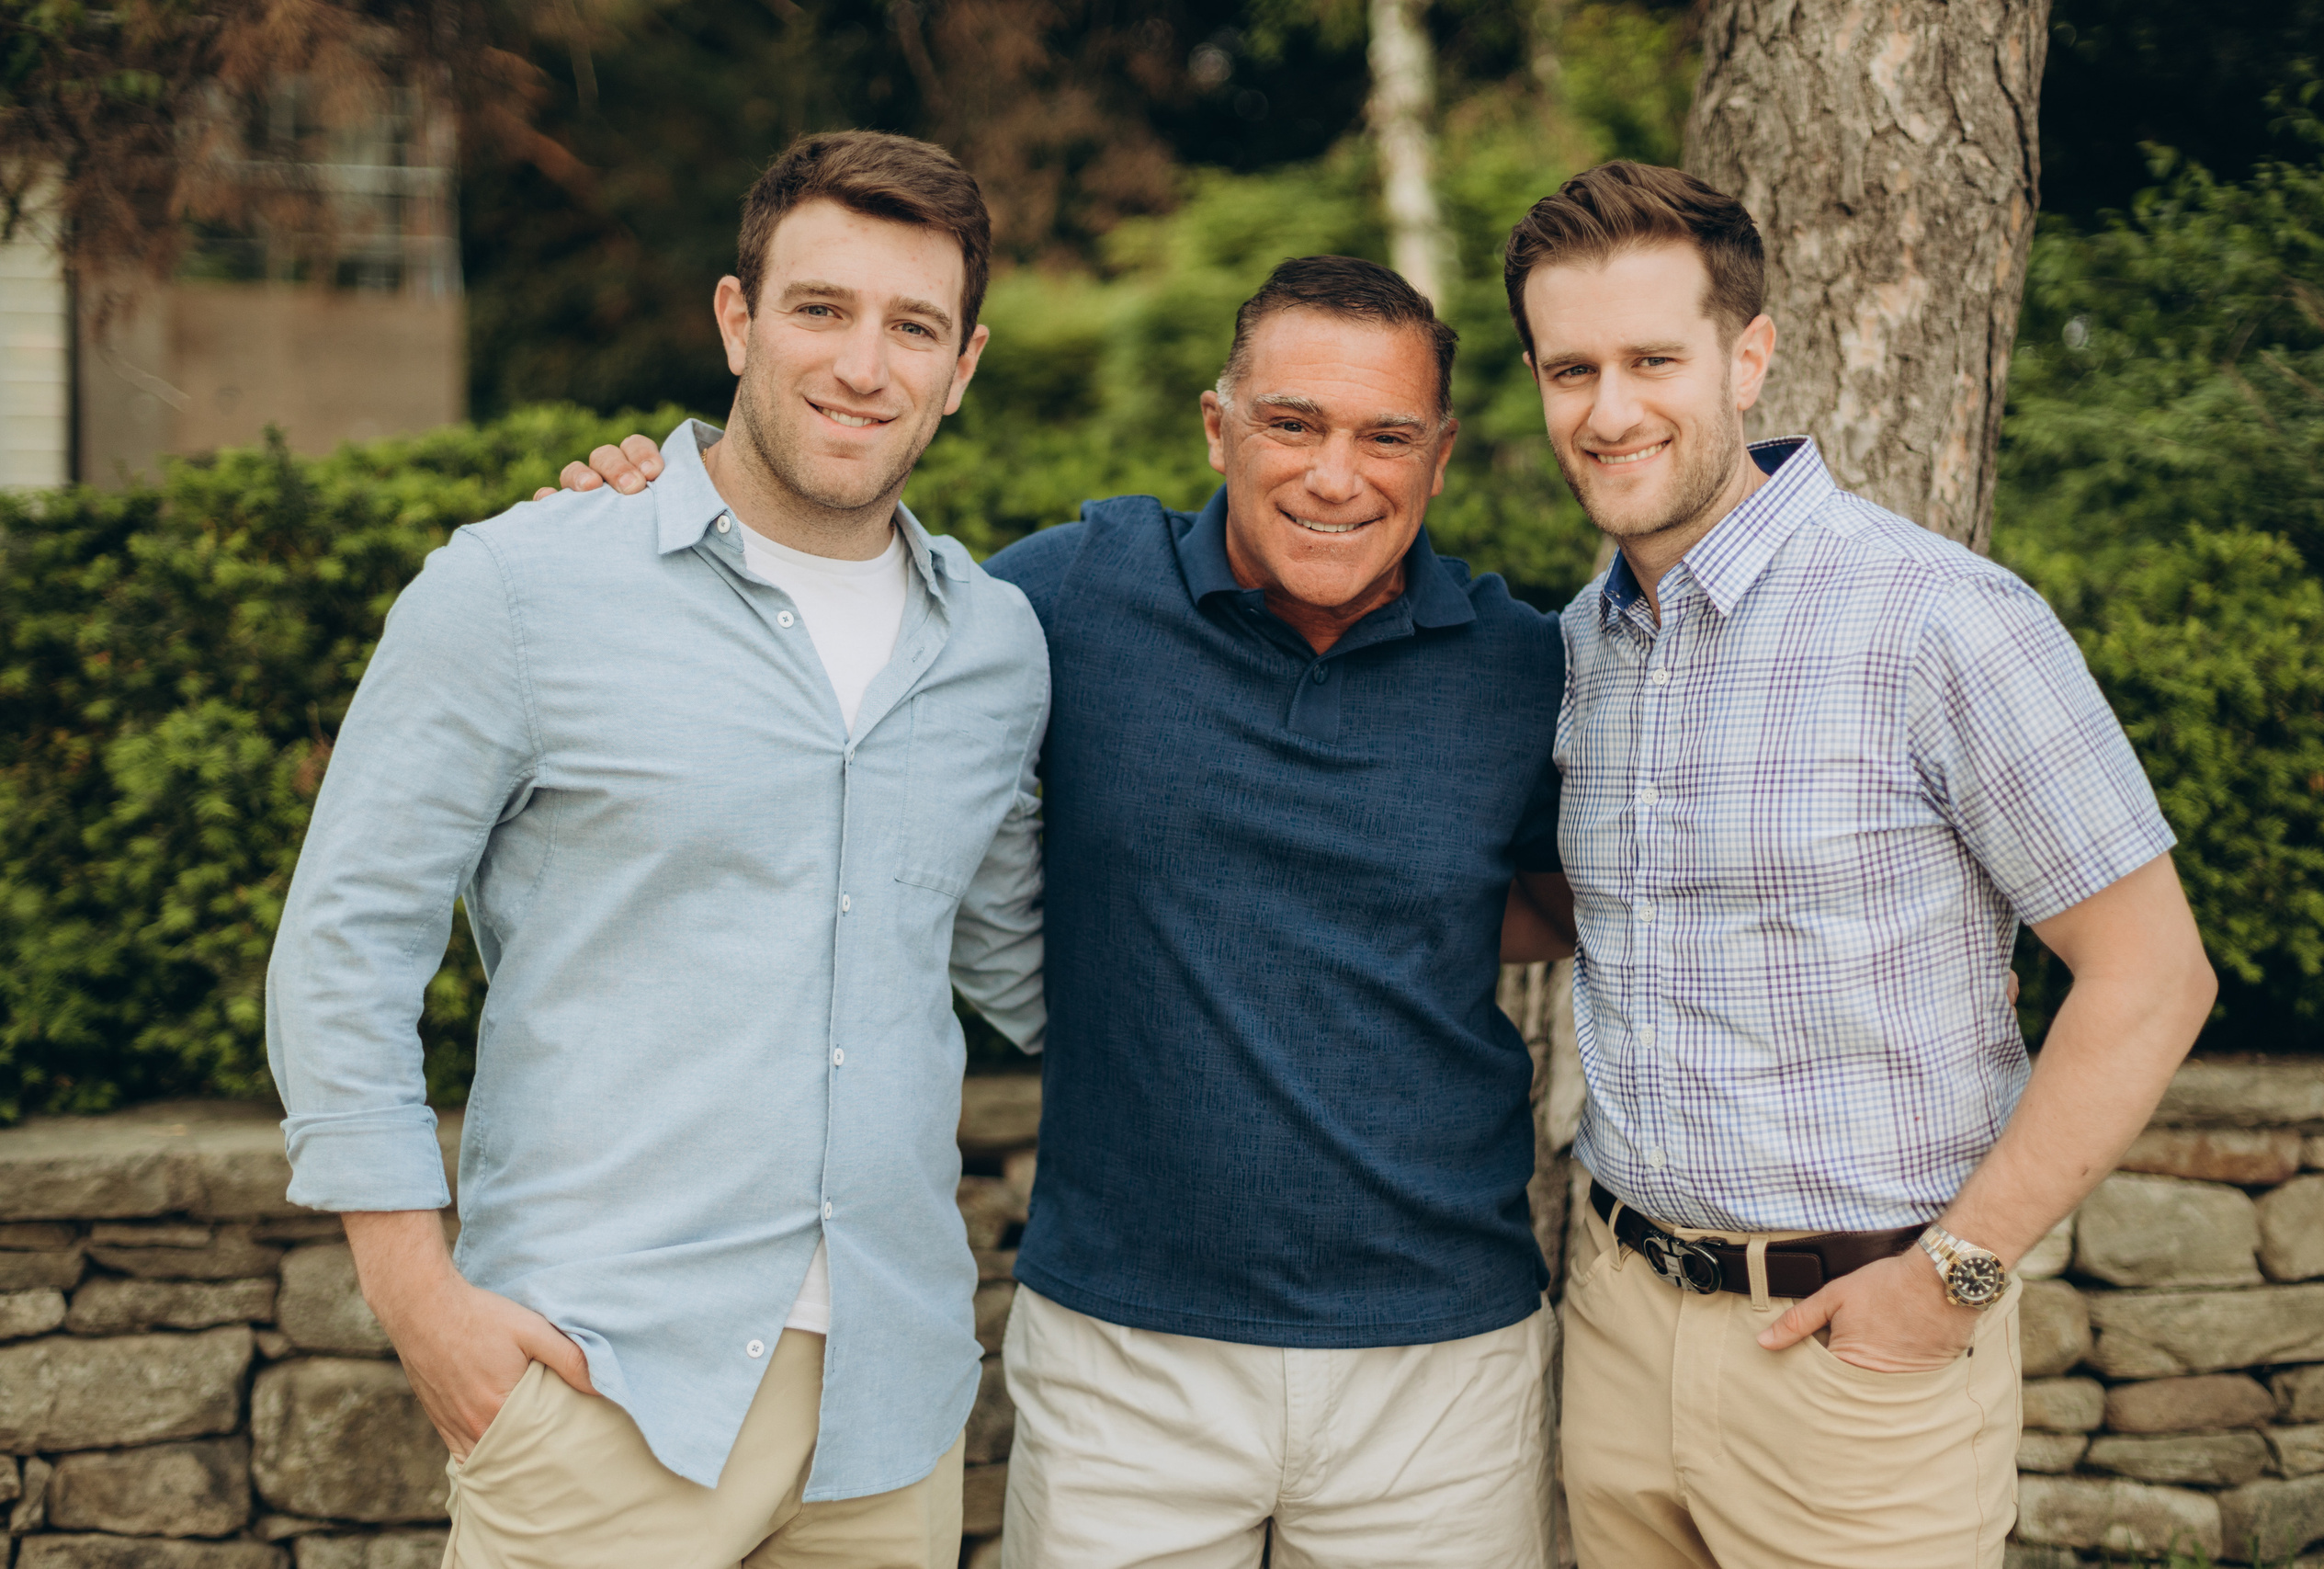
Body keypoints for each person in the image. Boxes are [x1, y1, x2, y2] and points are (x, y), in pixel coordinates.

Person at [557, 256, 1581, 1568]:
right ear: (1217, 427)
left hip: (1442, 1366)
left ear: (1439, 458)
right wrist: (648, 511)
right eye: (1292, 424)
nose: (1337, 477)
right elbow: (827, 618)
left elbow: (1556, 906)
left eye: (1387, 437)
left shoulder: (1520, 667)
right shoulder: (1072, 596)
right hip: (1122, 1360)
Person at [266, 130, 1049, 1569]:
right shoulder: (522, 587)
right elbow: (345, 943)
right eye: (820, 309)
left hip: (890, 1415)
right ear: (738, 319)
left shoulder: (995, 647)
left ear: (963, 365)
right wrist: (419, 1304)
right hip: (601, 1389)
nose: (862, 365)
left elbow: (1028, 964)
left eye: (912, 326)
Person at [1498, 161, 2216, 1567]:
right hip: (1621, 1324)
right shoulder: (1587, 643)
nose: (1610, 409)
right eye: (1571, 369)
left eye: (1654, 360)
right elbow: (1594, 912)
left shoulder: (1942, 621)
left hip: (1856, 1357)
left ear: (1748, 356)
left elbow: (2153, 978)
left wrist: (1951, 1280)